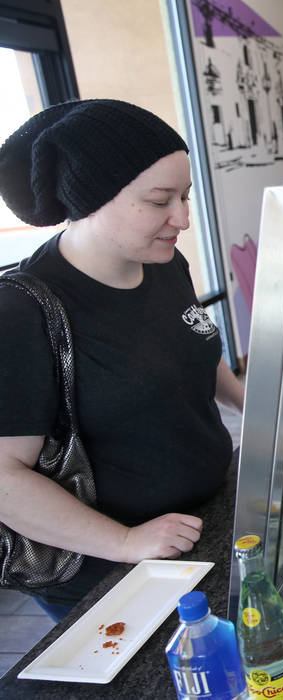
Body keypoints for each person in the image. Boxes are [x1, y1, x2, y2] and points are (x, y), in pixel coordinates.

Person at [0, 99, 245, 621]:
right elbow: (5, 477)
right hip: (110, 571)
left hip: (202, 521)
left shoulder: (163, 261)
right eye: (160, 201)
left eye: (185, 196)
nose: (182, 218)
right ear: (91, 199)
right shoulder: (22, 310)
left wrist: (260, 408)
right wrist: (126, 540)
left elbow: (195, 348)